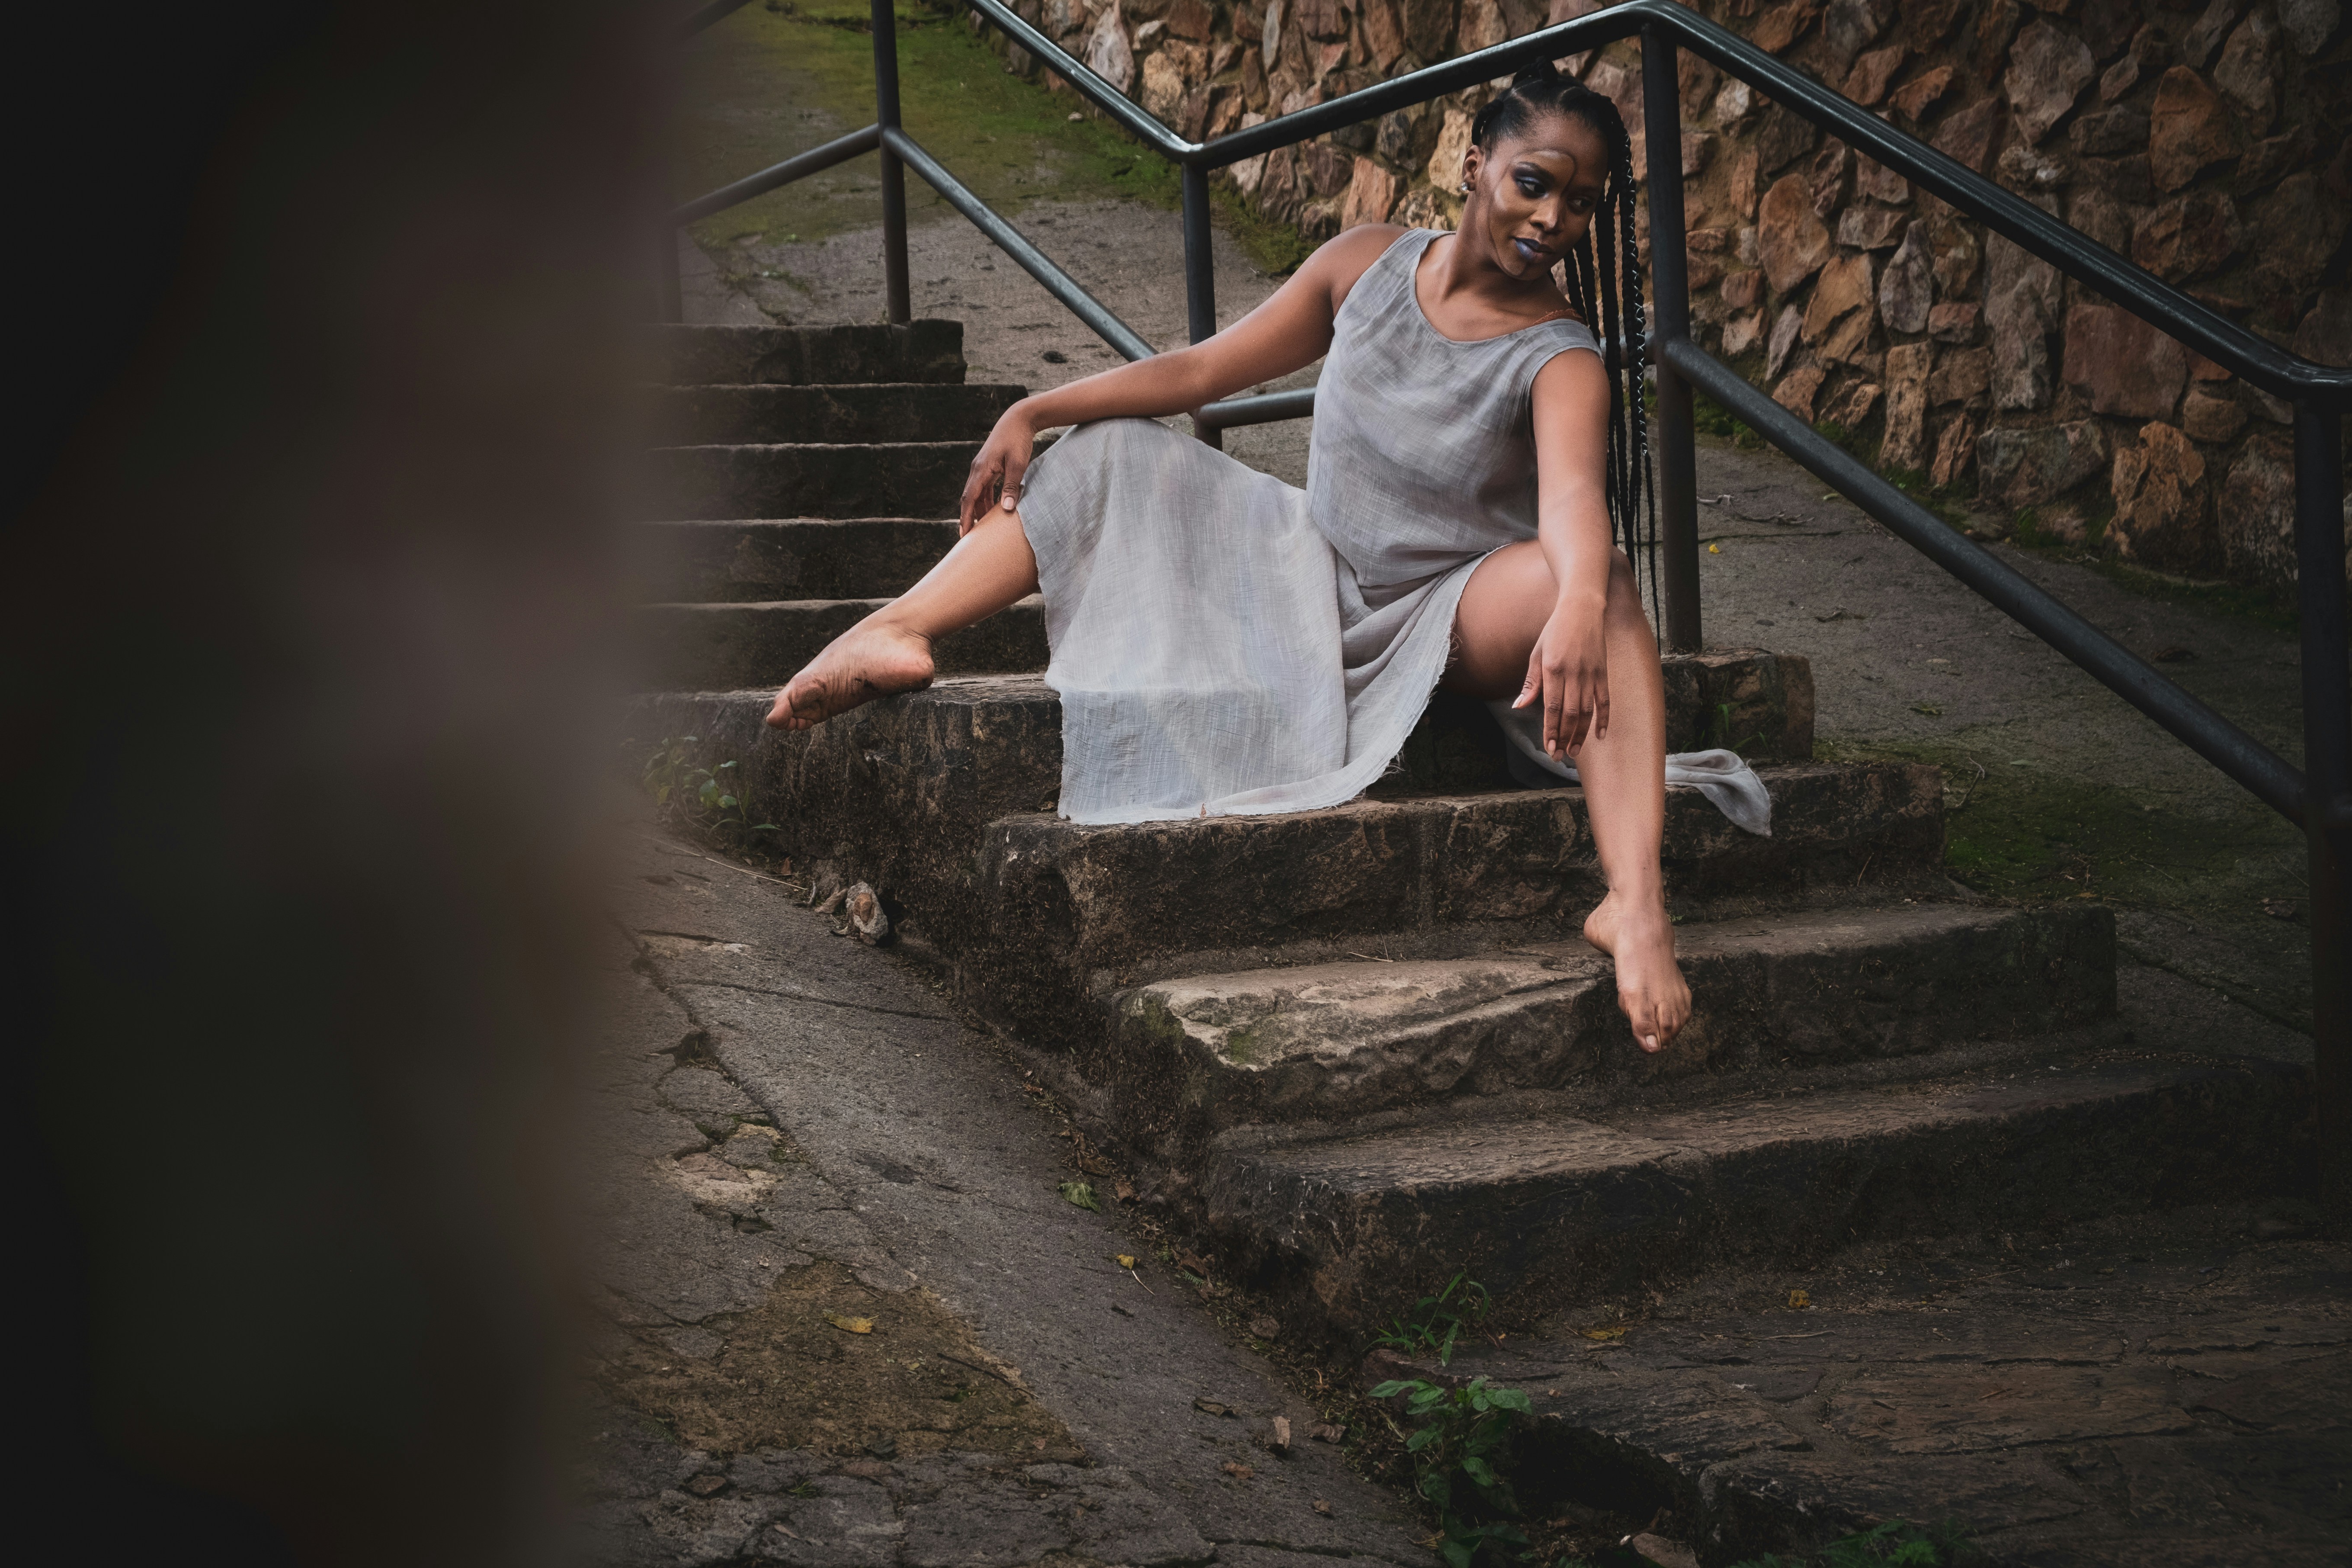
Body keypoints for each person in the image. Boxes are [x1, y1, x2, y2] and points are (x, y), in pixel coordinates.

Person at [763, 62, 1766, 1055]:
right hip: (1302, 566)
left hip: (1442, 613)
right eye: (1534, 182)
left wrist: (1582, 601)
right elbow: (1204, 370)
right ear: (1475, 164)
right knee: (1111, 451)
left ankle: (1634, 906)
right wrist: (1037, 406)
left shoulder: (1560, 354)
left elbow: (1573, 503)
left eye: (1581, 205)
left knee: (1598, 585)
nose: (1552, 219)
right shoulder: (1364, 264)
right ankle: (897, 627)